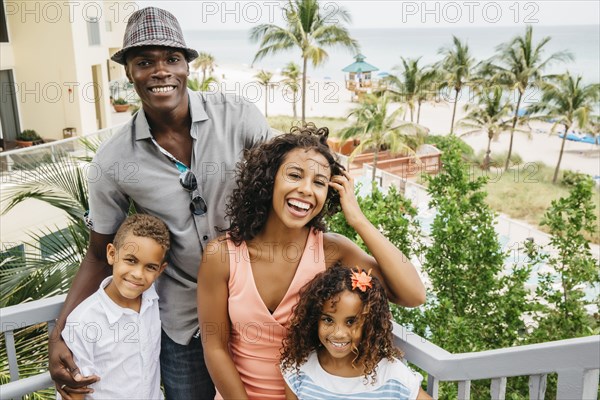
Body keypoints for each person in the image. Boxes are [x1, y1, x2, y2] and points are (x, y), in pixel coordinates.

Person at [48, 7, 271, 400]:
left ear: (187, 65)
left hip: (255, 309)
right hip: (183, 325)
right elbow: (100, 254)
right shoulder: (112, 161)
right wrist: (60, 332)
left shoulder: (238, 116)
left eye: (172, 59)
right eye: (144, 62)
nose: (160, 71)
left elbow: (290, 180)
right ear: (129, 72)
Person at [198, 125, 426, 399]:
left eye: (319, 182)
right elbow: (215, 347)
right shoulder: (221, 255)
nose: (306, 190)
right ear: (269, 180)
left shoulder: (332, 250)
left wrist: (358, 219)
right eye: (295, 175)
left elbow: (413, 294)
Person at [280, 264, 432, 400]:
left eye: (351, 322)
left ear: (369, 323)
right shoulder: (299, 371)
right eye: (328, 320)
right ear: (314, 319)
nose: (338, 333)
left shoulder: (393, 377)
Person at [61, 214, 169, 399]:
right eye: (131, 260)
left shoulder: (153, 300)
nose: (137, 274)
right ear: (112, 254)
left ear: (160, 271)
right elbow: (75, 391)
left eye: (150, 267)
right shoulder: (83, 321)